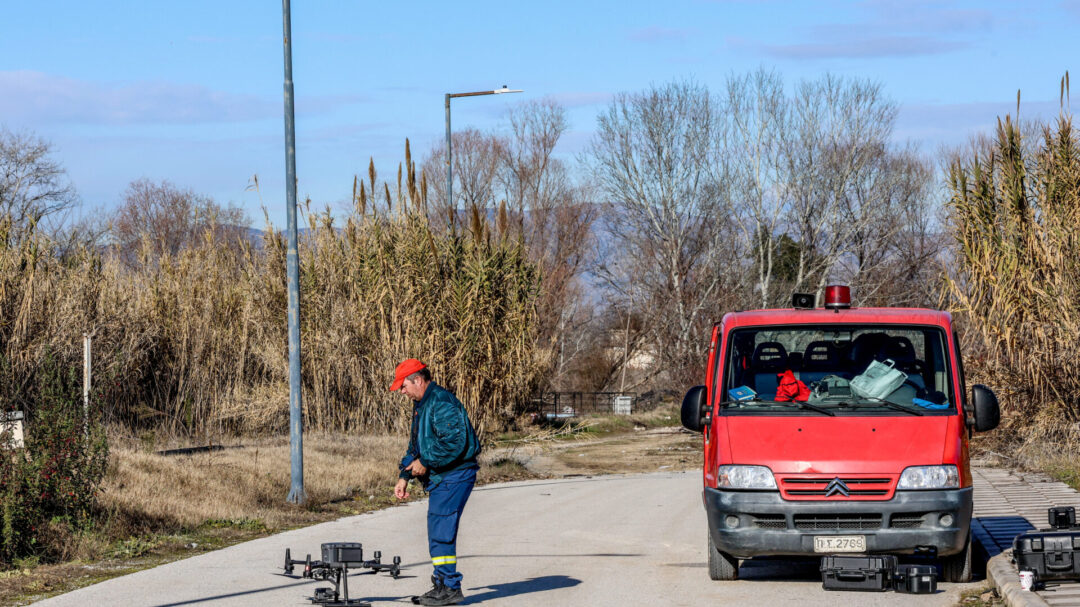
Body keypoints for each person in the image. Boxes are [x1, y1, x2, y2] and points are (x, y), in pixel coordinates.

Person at [391, 358, 481, 607]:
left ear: (417, 380)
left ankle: (449, 587)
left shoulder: (440, 402)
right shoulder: (423, 403)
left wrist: (426, 462)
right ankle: (442, 584)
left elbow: (454, 443)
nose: (402, 391)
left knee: (441, 532)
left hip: (456, 475)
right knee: (438, 531)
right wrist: (405, 475)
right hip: (444, 475)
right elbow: (416, 446)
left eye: (403, 385)